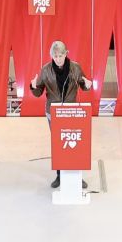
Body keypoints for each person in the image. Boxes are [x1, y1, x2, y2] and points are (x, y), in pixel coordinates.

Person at [31, 39, 96, 188]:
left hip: (71, 111)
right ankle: (60, 176)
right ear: (51, 56)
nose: (58, 59)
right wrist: (33, 86)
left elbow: (83, 84)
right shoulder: (45, 70)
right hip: (53, 113)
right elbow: (38, 92)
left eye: (61, 55)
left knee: (75, 143)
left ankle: (76, 176)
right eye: (55, 56)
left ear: (66, 54)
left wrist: (87, 85)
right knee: (58, 145)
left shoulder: (76, 68)